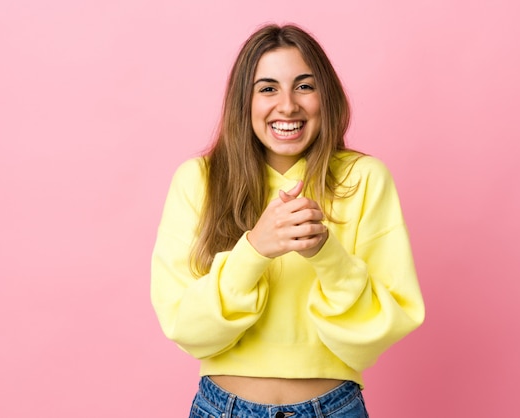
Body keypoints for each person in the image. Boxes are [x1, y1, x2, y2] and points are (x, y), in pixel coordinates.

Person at [151, 23, 425, 418]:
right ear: (243, 101)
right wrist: (254, 250)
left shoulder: (364, 178)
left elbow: (380, 331)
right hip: (222, 407)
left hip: (334, 407)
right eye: (267, 88)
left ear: (324, 96)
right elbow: (185, 327)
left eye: (304, 86)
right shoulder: (199, 180)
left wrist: (326, 253)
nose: (287, 106)